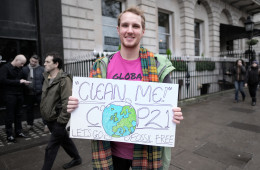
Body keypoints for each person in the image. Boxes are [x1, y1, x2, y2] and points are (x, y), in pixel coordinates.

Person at [67, 7, 183, 170]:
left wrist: (174, 114)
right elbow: (89, 107)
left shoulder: (158, 66)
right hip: (111, 153)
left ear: (143, 31)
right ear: (118, 29)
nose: (130, 31)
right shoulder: (101, 66)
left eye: (135, 26)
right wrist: (77, 107)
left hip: (146, 153)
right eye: (125, 25)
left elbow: (168, 108)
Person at [40, 52, 81, 170]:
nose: (44, 64)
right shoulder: (46, 77)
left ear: (56, 64)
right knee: (65, 141)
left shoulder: (64, 79)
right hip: (48, 118)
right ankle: (77, 158)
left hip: (58, 120)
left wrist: (61, 122)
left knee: (51, 147)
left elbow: (67, 102)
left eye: (48, 62)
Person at [0, 54, 30, 143]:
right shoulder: (5, 68)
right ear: (16, 60)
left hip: (19, 94)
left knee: (18, 114)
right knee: (10, 115)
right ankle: (9, 135)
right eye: (21, 63)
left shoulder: (19, 69)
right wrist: (18, 82)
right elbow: (2, 80)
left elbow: (20, 80)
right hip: (9, 95)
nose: (22, 66)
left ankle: (18, 132)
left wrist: (24, 82)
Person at [22, 54, 49, 133]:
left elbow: (46, 81)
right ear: (29, 59)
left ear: (38, 62)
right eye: (32, 61)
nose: (33, 63)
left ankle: (46, 125)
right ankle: (30, 125)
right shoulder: (24, 69)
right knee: (29, 109)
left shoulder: (42, 69)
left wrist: (44, 90)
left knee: (43, 110)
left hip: (39, 93)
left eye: (35, 62)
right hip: (28, 93)